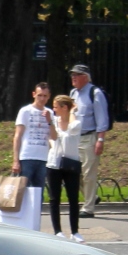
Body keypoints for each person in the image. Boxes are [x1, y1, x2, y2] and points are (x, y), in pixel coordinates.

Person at [68, 64, 110, 218]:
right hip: (74, 138)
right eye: (72, 74)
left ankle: (88, 208)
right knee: (72, 172)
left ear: (85, 77)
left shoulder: (95, 93)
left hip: (89, 138)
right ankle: (92, 196)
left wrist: (100, 140)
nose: (73, 77)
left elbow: (102, 119)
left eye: (77, 75)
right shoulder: (73, 93)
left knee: (88, 174)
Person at [45, 95, 85, 243]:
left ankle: (75, 231)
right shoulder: (53, 121)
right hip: (54, 163)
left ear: (65, 108)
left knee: (73, 198)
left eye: (56, 106)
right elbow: (52, 137)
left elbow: (71, 129)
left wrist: (73, 112)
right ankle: (58, 231)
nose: (53, 109)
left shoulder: (76, 123)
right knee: (54, 198)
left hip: (71, 162)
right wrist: (51, 124)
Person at [12, 82, 54, 189]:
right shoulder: (25, 111)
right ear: (34, 94)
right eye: (39, 95)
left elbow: (54, 137)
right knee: (23, 191)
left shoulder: (50, 112)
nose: (42, 98)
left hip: (43, 158)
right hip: (27, 157)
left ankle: (37, 207)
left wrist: (49, 121)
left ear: (49, 96)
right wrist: (16, 160)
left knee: (38, 192)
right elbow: (18, 136)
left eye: (45, 96)